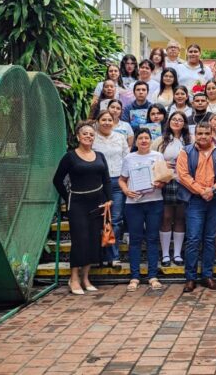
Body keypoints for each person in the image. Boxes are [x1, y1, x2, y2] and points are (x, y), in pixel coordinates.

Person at [52, 121, 112, 295]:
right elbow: (57, 180)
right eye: (85, 133)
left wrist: (109, 199)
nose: (88, 136)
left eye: (91, 134)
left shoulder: (100, 156)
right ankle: (74, 279)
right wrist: (68, 197)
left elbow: (106, 180)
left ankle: (86, 278)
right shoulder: (70, 157)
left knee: (93, 240)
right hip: (77, 203)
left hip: (97, 203)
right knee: (80, 240)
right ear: (78, 137)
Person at [176, 122, 216, 292]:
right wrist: (202, 191)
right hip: (195, 200)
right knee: (193, 239)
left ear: (212, 134)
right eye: (200, 133)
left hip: (215, 200)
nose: (203, 136)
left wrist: (213, 190)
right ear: (195, 134)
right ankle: (190, 278)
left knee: (209, 238)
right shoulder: (186, 151)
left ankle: (207, 276)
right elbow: (183, 175)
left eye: (207, 133)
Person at [118, 128, 167, 291]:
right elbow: (122, 180)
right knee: (135, 240)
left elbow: (164, 178)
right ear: (136, 141)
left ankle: (152, 276)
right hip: (133, 204)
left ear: (151, 140)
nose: (144, 141)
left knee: (152, 238)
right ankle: (134, 277)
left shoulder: (158, 156)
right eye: (140, 138)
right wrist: (126, 191)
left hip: (154, 202)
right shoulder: (129, 158)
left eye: (147, 138)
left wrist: (161, 183)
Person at [93, 111, 129, 269]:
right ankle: (96, 256)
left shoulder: (120, 137)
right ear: (97, 121)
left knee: (115, 220)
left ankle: (113, 257)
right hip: (97, 183)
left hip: (117, 181)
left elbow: (126, 158)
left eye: (110, 120)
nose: (107, 122)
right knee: (97, 220)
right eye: (103, 119)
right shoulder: (92, 137)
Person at [157, 111, 191, 267]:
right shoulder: (161, 140)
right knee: (166, 217)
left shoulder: (189, 140)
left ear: (184, 123)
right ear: (169, 122)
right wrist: (163, 164)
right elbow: (153, 160)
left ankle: (177, 253)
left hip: (184, 182)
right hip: (167, 181)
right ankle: (165, 254)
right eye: (174, 119)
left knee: (180, 217)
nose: (177, 122)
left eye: (180, 120)